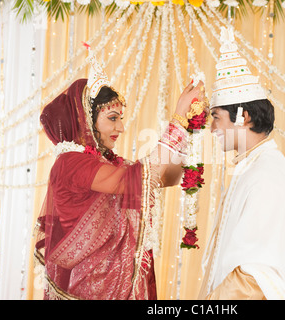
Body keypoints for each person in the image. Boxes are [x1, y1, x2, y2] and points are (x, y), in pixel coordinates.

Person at [34, 46, 205, 300]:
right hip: (91, 288)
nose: (121, 127)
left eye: (120, 118)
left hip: (121, 284)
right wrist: (177, 119)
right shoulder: (70, 163)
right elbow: (137, 178)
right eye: (112, 118)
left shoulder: (108, 162)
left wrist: (188, 129)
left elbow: (166, 176)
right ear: (86, 119)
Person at [198, 27, 285, 300]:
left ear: (244, 117)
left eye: (216, 117)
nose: (211, 127)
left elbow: (253, 278)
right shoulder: (251, 167)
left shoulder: (264, 177)